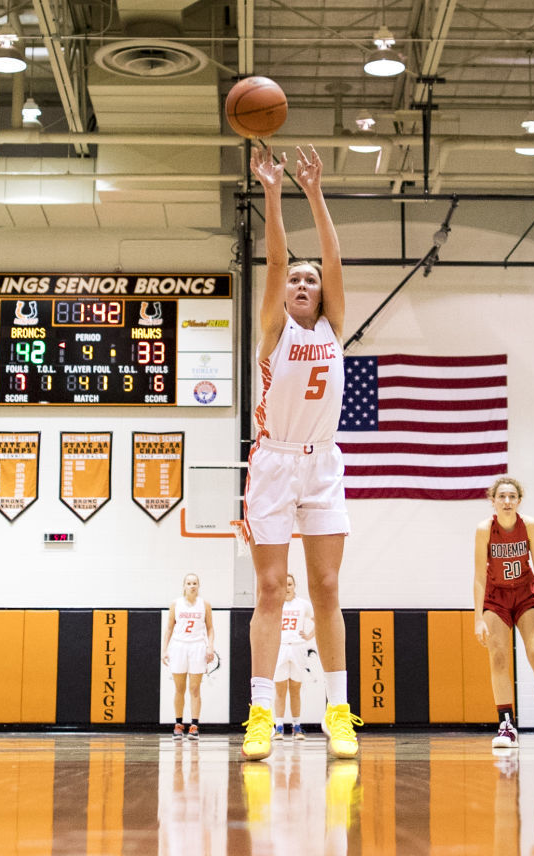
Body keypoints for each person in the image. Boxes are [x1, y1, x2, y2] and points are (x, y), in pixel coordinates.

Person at [241, 144, 360, 761]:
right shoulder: (274, 328)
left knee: (327, 587)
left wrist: (316, 192)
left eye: (311, 280)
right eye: (296, 279)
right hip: (273, 461)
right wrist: (273, 191)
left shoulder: (333, 329)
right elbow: (278, 257)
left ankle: (338, 713)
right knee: (268, 589)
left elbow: (333, 259)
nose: (304, 282)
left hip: (322, 463)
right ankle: (260, 714)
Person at [471, 476, 534, 751]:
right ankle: (506, 725)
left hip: (526, 593)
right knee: (498, 657)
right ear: (493, 501)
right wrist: (478, 617)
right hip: (496, 596)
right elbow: (478, 576)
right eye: (502, 496)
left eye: (512, 496)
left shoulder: (529, 526)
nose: (507, 501)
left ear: (519, 500)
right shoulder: (484, 529)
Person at [162, 573, 214, 739]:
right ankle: (178, 724)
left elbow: (210, 628)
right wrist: (164, 649)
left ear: (198, 586)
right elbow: (169, 628)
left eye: (195, 583)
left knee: (195, 688)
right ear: (184, 585)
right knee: (179, 688)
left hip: (197, 646)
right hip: (179, 646)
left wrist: (210, 646)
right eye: (189, 583)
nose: (192, 586)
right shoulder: (175, 604)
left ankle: (194, 725)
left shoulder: (204, 604)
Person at [274, 574, 315, 740]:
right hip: (281, 647)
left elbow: (318, 619)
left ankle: (297, 727)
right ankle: (278, 727)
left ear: (294, 585)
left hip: (298, 647)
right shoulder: (276, 604)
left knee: (295, 688)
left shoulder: (303, 604)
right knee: (280, 689)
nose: (287, 587)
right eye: (284, 584)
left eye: (290, 584)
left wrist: (309, 635)